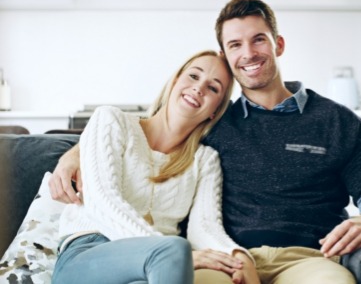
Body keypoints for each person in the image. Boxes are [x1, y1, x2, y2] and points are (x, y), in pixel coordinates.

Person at [49, 0, 361, 284]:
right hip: (227, 260)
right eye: (235, 44)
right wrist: (75, 150)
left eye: (259, 40)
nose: (249, 53)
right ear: (227, 54)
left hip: (308, 259)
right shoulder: (216, 125)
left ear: (278, 44)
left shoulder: (337, 122)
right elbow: (148, 134)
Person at [50, 50, 259, 284]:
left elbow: (205, 227)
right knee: (173, 249)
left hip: (159, 269)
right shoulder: (111, 120)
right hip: (88, 253)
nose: (199, 88)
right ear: (174, 81)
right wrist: (171, 252)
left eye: (213, 88)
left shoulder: (205, 160)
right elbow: (102, 200)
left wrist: (238, 258)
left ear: (215, 111)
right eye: (193, 76)